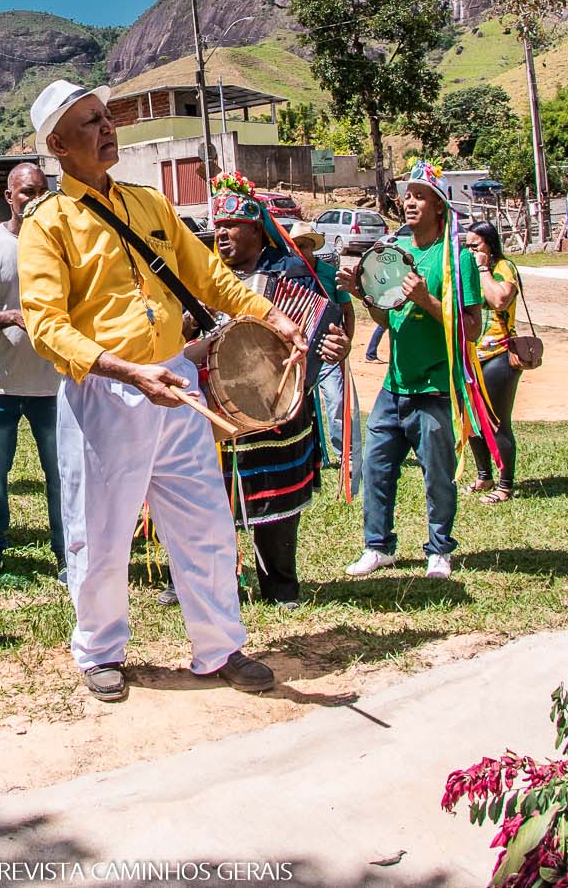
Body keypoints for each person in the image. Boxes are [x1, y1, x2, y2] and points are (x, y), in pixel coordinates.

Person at [16, 79, 297, 702]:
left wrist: (270, 317)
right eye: (89, 123)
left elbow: (209, 275)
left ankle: (219, 644)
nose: (106, 127)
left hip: (177, 380)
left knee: (203, 521)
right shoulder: (47, 223)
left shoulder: (149, 204)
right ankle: (99, 650)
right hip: (105, 391)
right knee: (101, 529)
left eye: (105, 116)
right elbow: (45, 325)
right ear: (58, 146)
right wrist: (128, 372)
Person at [205, 175, 348, 606]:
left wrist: (335, 344)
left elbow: (330, 319)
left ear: (258, 229)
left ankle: (280, 585)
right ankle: (206, 582)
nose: (222, 234)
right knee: (206, 497)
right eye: (218, 226)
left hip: (276, 409)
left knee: (275, 498)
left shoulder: (289, 273)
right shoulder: (205, 277)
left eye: (232, 225)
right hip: (214, 410)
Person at [338, 163, 483, 582]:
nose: (410, 201)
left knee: (437, 475)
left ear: (439, 205)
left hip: (435, 386)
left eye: (420, 195)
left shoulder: (457, 260)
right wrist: (361, 295)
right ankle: (377, 546)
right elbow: (387, 321)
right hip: (394, 385)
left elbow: (470, 328)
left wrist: (425, 298)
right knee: (377, 467)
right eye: (408, 194)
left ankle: (439, 550)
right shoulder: (400, 253)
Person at [0, 163, 66, 583]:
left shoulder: (62, 246)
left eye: (41, 192)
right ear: (9, 197)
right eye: (26, 192)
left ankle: (66, 554)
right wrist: (11, 318)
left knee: (61, 477)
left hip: (54, 387)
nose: (33, 200)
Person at [464, 221, 524, 503]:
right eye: (466, 246)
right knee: (472, 421)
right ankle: (484, 475)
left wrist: (483, 268)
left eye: (475, 246)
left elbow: (499, 299)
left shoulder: (504, 268)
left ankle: (506, 484)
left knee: (498, 421)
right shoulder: (467, 269)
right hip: (470, 356)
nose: (470, 251)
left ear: (489, 245)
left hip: (498, 355)